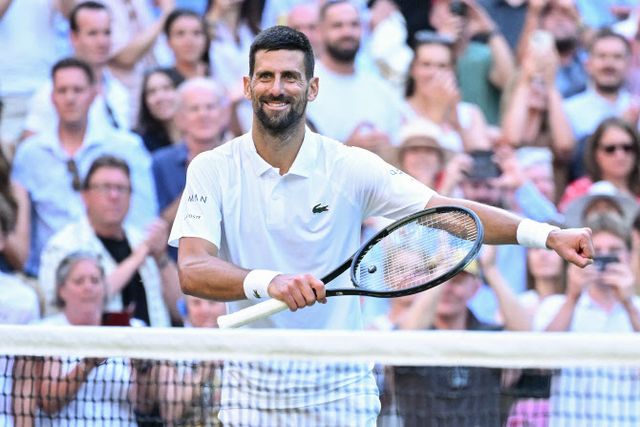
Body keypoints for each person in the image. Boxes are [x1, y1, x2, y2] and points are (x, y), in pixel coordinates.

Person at [169, 25, 593, 425]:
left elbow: (447, 212)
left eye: (290, 77)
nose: (276, 88)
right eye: (265, 76)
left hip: (339, 396)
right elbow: (192, 269)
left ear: (312, 88)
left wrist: (547, 235)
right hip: (250, 397)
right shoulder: (212, 168)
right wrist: (270, 282)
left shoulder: (350, 166)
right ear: (247, 86)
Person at [12, 57, 158, 278]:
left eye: (78, 90)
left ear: (94, 94)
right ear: (52, 97)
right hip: (49, 274)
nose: (70, 98)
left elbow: (144, 218)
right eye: (62, 90)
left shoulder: (127, 147)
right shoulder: (30, 154)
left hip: (118, 268)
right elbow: (21, 225)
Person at [386, 249, 529, 427]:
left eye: (457, 281)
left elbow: (527, 338)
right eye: (440, 280)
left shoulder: (489, 336)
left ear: (475, 288)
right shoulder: (414, 335)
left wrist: (491, 270)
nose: (447, 289)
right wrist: (440, 272)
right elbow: (402, 341)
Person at [39, 155, 180, 326]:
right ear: (85, 195)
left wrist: (161, 258)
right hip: (96, 342)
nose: (114, 196)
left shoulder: (141, 240)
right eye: (105, 188)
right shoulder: (63, 245)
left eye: (121, 188)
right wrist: (138, 257)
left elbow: (181, 309)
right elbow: (57, 307)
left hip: (153, 340)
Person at [22, 252, 154, 426]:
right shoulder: (46, 331)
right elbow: (49, 403)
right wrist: (89, 362)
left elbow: (144, 406)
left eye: (95, 280)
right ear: (61, 290)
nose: (88, 287)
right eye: (79, 281)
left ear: (104, 288)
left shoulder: (132, 329)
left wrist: (142, 369)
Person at [534, 212, 640, 426]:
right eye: (597, 251)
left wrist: (629, 304)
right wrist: (572, 297)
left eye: (614, 251)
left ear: (629, 256)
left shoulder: (636, 308)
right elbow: (539, 365)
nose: (605, 258)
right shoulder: (554, 306)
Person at [306, 0, 403, 153]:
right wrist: (347, 149)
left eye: (354, 25)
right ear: (320, 31)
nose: (347, 32)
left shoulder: (381, 88)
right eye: (337, 25)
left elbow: (397, 144)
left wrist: (387, 148)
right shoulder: (304, 86)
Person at [23, 1, 131, 137]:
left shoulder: (119, 92)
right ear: (73, 37)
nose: (102, 42)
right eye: (92, 33)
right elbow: (31, 145)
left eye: (107, 33)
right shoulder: (51, 92)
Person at [152, 77, 230, 231]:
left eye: (210, 107)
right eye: (194, 109)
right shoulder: (161, 162)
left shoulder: (239, 157)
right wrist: (198, 180)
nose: (203, 114)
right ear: (179, 118)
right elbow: (159, 223)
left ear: (223, 115)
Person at [563, 29, 635, 178]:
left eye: (617, 57)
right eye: (602, 56)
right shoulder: (568, 110)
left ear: (629, 65)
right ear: (587, 64)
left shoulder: (636, 106)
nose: (609, 64)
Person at [403, 30, 492, 152]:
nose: (434, 73)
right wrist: (437, 110)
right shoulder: (398, 110)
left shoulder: (469, 113)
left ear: (453, 71)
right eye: (426, 65)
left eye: (442, 66)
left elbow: (480, 156)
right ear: (413, 69)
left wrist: (456, 121)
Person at [559, 117, 640, 211]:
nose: (620, 155)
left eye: (627, 148)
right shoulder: (579, 191)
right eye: (610, 149)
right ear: (596, 153)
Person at [135, 67, 181, 152]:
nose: (160, 97)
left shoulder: (202, 132)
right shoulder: (139, 143)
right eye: (152, 92)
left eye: (167, 88)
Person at [163, 8, 211, 84]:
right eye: (180, 33)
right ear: (168, 42)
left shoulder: (220, 74)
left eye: (196, 33)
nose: (189, 41)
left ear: (206, 41)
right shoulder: (163, 82)